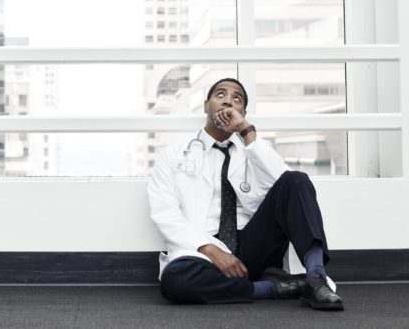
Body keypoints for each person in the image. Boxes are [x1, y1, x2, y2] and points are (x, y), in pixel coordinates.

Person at [147, 77, 344, 311]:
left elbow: (288, 188)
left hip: (253, 245)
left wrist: (246, 132)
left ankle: (315, 278)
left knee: (296, 180)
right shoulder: (173, 155)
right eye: (220, 95)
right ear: (205, 106)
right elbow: (165, 214)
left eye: (236, 99)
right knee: (176, 281)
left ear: (243, 111)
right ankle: (274, 288)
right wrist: (211, 250)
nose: (228, 102)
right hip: (204, 249)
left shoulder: (253, 149)